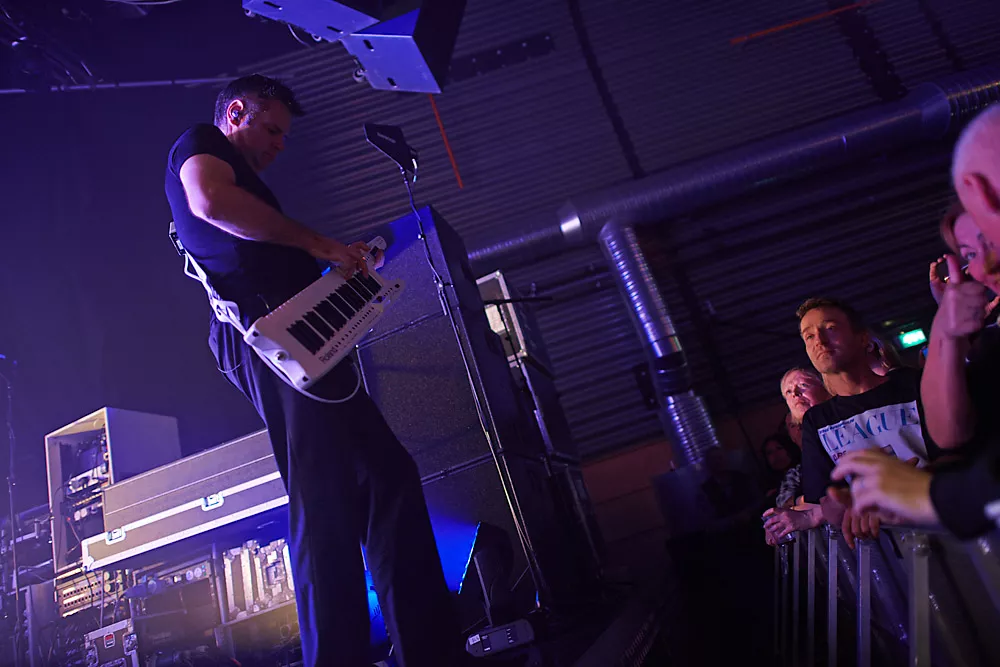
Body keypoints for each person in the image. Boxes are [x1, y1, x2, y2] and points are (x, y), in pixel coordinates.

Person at [164, 75, 461, 667]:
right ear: (236, 112)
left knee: (387, 477)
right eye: (272, 130)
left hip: (301, 336)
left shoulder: (251, 187)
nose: (279, 145)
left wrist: (337, 270)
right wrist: (322, 246)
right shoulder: (199, 143)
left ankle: (433, 654)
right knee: (324, 498)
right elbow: (210, 203)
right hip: (267, 338)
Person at [795, 298, 934, 547]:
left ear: (862, 338)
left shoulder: (914, 384)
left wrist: (896, 490)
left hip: (948, 524)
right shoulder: (816, 421)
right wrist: (855, 504)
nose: (819, 341)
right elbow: (825, 500)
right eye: (809, 336)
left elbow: (954, 455)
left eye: (830, 328)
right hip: (891, 551)